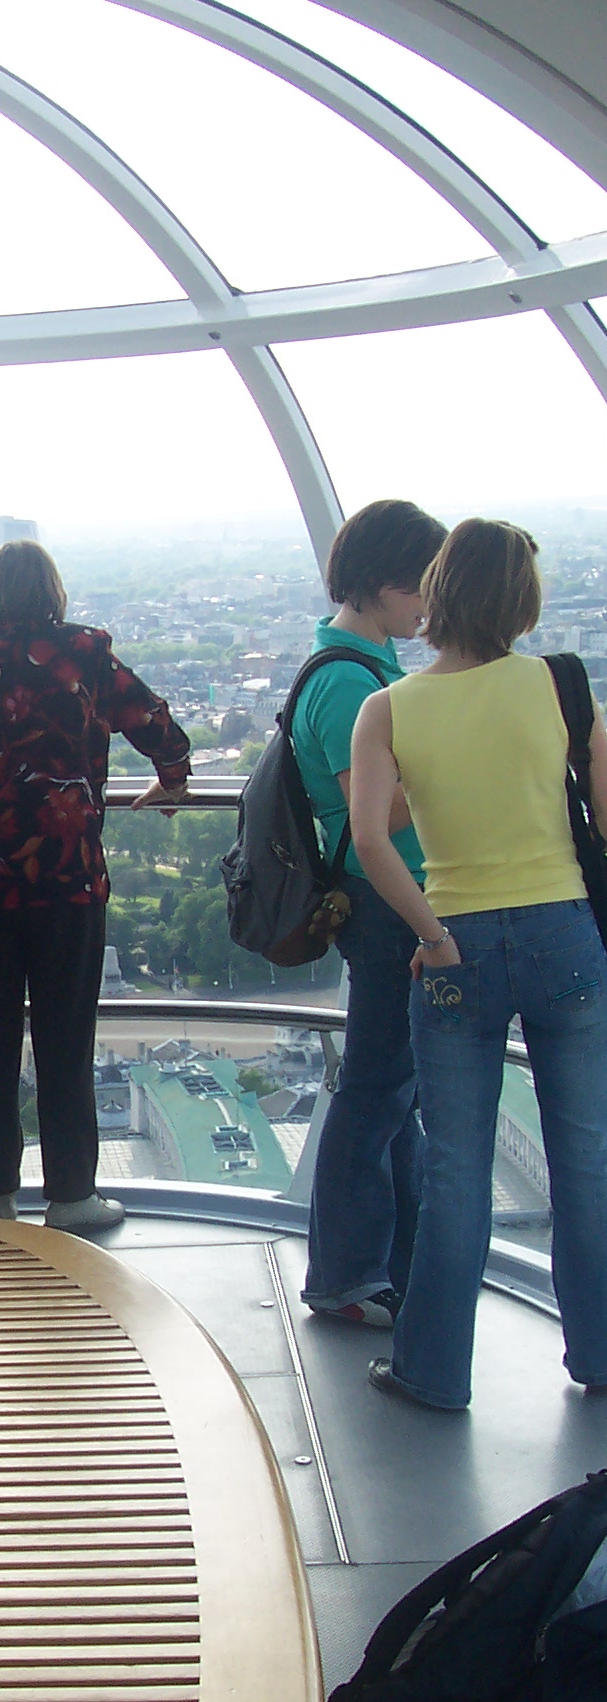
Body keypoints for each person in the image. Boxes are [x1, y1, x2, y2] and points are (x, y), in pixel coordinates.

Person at [349, 517, 607, 1410]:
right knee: (586, 1155)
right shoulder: (562, 686)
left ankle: (434, 1372)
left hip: (456, 943)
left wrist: (431, 935)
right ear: (524, 601)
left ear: (440, 587)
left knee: (456, 1167)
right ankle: (601, 1353)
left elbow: (371, 839)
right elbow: (606, 819)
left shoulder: (390, 706)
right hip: (564, 933)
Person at [0, 540, 190, 1232]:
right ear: (54, 590)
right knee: (65, 1037)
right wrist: (172, 776)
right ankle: (72, 1194)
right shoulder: (84, 652)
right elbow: (159, 725)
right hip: (66, 876)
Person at [294, 499, 448, 1331]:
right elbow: (375, 818)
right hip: (388, 905)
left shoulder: (364, 661)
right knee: (377, 1090)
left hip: (394, 903)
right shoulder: (351, 680)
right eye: (421, 587)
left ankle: (387, 1265)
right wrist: (453, 767)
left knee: (391, 1093)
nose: (429, 605)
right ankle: (348, 1275)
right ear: (387, 585)